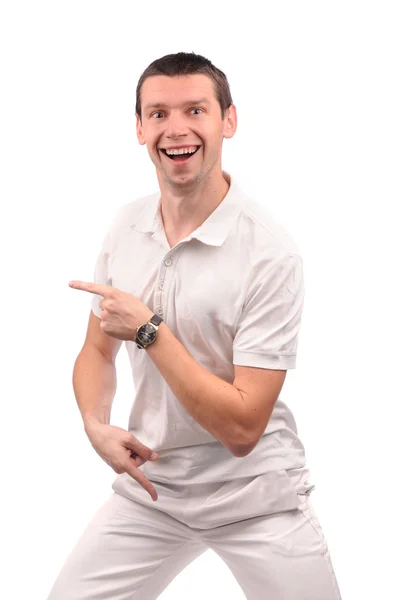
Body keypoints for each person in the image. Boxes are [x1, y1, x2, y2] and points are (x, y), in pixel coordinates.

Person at [47, 52, 342, 599]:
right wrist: (94, 422)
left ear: (228, 121)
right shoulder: (125, 226)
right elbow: (95, 350)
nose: (176, 128)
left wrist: (149, 331)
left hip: (257, 496)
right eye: (158, 113)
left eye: (195, 110)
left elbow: (242, 429)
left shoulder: (269, 254)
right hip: (154, 488)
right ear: (139, 128)